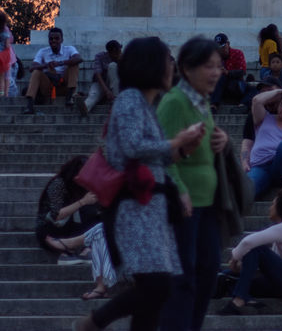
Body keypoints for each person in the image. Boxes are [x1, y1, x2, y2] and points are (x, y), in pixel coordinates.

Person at [72, 37, 206, 331]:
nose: (172, 66)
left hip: (151, 209)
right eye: (167, 60)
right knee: (156, 286)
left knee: (157, 292)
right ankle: (95, 322)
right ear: (151, 65)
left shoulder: (147, 105)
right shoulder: (130, 100)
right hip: (134, 209)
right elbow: (134, 146)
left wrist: (182, 150)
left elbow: (157, 155)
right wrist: (177, 141)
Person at [156, 36, 231, 331]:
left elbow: (205, 145)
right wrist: (179, 189)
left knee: (209, 270)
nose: (215, 72)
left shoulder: (202, 102)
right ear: (187, 68)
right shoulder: (174, 102)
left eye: (218, 66)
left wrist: (223, 140)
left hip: (206, 204)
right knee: (183, 278)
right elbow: (160, 150)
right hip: (183, 205)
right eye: (208, 66)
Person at [220, 188, 282, 315]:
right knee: (229, 276)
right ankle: (245, 297)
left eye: (273, 204)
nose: (270, 207)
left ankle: (239, 300)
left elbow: (248, 242)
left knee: (258, 248)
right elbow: (273, 265)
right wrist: (243, 267)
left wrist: (234, 258)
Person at [36, 155, 102, 260]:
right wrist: (82, 202)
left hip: (73, 228)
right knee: (85, 206)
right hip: (50, 229)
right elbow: (56, 215)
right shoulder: (58, 184)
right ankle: (67, 252)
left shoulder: (86, 186)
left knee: (95, 214)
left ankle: (85, 249)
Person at [23, 26, 82, 113]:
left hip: (65, 86)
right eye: (51, 39)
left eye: (56, 38)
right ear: (48, 40)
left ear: (62, 40)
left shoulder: (69, 49)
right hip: (49, 87)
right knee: (36, 72)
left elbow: (79, 59)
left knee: (74, 65)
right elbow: (32, 68)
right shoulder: (43, 51)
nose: (53, 41)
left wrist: (61, 63)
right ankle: (30, 104)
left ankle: (70, 97)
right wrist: (46, 65)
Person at [80, 40, 123, 116]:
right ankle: (85, 107)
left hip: (117, 86)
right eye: (116, 52)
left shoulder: (123, 57)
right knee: (94, 94)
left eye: (119, 51)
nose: (119, 53)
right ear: (110, 53)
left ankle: (115, 102)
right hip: (102, 83)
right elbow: (97, 74)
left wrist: (120, 61)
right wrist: (106, 91)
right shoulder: (100, 56)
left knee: (113, 66)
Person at [210, 34, 248, 110]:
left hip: (235, 85)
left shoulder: (238, 53)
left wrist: (228, 73)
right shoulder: (214, 57)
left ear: (228, 44)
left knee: (223, 76)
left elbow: (242, 72)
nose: (221, 50)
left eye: (223, 47)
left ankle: (214, 104)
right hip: (220, 86)